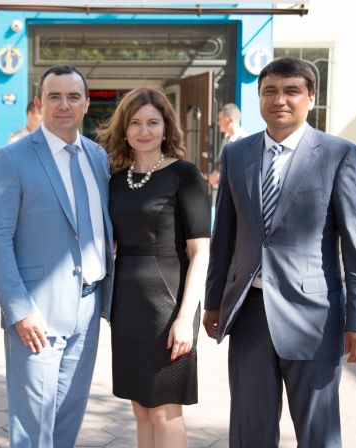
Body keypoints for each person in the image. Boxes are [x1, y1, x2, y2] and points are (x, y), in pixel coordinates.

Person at [204, 57, 356, 447]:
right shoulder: (237, 154)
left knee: (318, 435)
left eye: (291, 91)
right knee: (250, 433)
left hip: (314, 319)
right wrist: (214, 302)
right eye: (270, 91)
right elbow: (225, 237)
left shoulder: (339, 155)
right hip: (249, 315)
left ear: (310, 97)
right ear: (259, 98)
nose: (279, 100)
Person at [0, 64, 114, 447]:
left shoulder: (97, 157)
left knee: (68, 419)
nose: (64, 105)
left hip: (88, 308)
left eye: (73, 97)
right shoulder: (11, 158)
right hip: (37, 313)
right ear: (39, 104)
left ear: (86, 104)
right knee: (33, 427)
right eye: (54, 96)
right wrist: (19, 309)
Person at [97, 87, 210, 448]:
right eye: (135, 123)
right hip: (127, 306)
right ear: (124, 129)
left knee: (164, 412)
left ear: (166, 127)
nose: (143, 131)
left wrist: (185, 318)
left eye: (152, 122)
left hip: (168, 305)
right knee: (141, 410)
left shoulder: (185, 175)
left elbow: (201, 253)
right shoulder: (116, 181)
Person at [207, 103, 247, 186]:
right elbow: (221, 163)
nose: (218, 123)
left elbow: (243, 171)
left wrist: (219, 176)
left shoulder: (245, 140)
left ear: (230, 120)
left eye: (220, 119)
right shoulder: (225, 140)